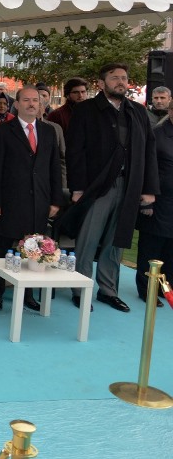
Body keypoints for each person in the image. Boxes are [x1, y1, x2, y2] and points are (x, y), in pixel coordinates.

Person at [66, 63, 158, 313]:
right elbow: (75, 152)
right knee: (88, 239)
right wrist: (77, 187)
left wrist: (148, 189)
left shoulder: (138, 112)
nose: (120, 82)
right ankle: (80, 288)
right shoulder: (86, 110)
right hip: (97, 186)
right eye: (114, 77)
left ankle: (108, 291)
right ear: (101, 83)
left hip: (130, 186)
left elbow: (149, 151)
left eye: (124, 78)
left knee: (116, 241)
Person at [0, 87, 63, 312]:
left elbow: (54, 168)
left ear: (41, 104)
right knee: (2, 249)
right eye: (26, 100)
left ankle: (28, 294)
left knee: (34, 251)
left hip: (39, 202)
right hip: (10, 202)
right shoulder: (2, 131)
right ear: (16, 104)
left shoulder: (48, 132)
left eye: (35, 100)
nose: (31, 104)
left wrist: (56, 200)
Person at [136, 113, 173, 307]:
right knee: (151, 248)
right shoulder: (157, 134)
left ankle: (166, 288)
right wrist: (147, 201)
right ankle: (147, 289)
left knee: (170, 250)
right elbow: (147, 169)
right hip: (158, 203)